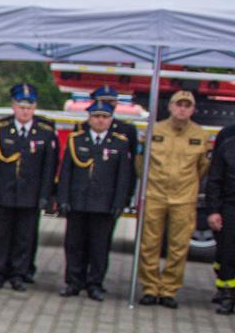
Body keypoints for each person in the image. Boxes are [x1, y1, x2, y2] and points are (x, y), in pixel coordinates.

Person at [51, 101, 138, 301]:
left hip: (104, 204)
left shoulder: (119, 143)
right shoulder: (76, 140)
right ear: (89, 119)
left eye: (105, 117)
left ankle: (95, 283)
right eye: (96, 116)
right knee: (74, 244)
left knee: (99, 247)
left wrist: (119, 202)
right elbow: (66, 172)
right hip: (78, 202)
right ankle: (73, 282)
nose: (100, 120)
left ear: (111, 120)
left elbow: (123, 176)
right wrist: (63, 198)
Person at [136, 90, 212, 308]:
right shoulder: (154, 130)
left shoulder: (201, 135)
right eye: (179, 105)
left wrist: (187, 186)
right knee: (149, 244)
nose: (182, 109)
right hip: (155, 195)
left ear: (193, 110)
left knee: (179, 246)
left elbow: (202, 168)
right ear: (170, 107)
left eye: (187, 106)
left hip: (184, 198)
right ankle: (150, 287)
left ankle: (169, 290)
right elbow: (141, 164)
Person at [0, 84, 58, 291]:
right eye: (21, 107)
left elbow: (49, 168)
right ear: (13, 106)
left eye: (29, 107)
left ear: (35, 108)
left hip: (30, 194)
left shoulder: (45, 132)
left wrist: (46, 195)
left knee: (25, 236)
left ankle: (19, 274)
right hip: (5, 191)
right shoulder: (1, 129)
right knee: (2, 235)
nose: (25, 111)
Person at [203, 124, 235, 314]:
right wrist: (213, 210)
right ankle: (227, 295)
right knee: (228, 253)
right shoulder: (228, 143)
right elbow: (214, 180)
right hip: (230, 206)